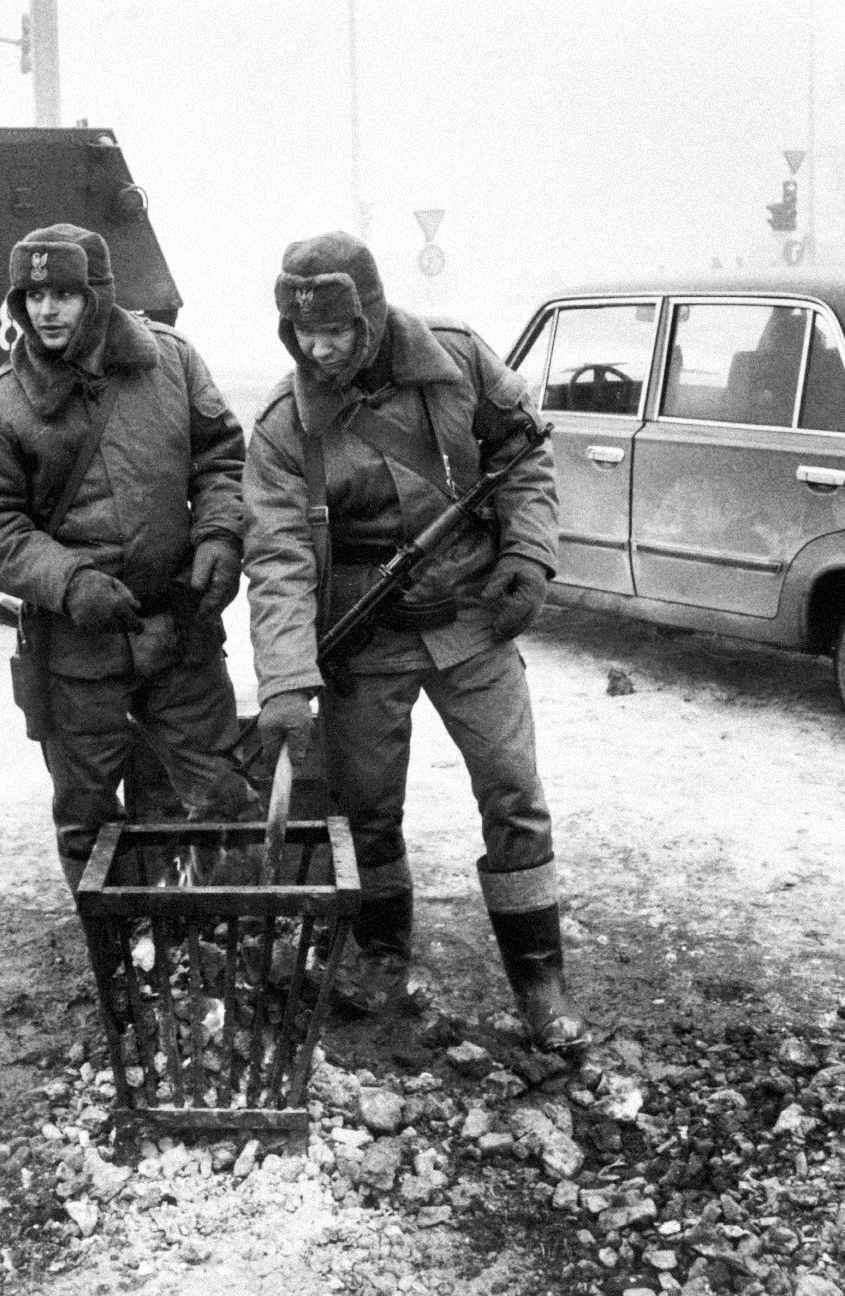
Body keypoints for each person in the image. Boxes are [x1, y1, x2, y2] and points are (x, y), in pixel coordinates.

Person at [243, 230, 587, 1051]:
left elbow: (525, 461)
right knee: (368, 812)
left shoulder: (459, 359)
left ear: (369, 312)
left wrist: (529, 558)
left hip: (475, 620)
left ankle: (541, 983)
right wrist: (286, 682)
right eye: (304, 335)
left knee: (514, 793)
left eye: (335, 329)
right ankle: (381, 954)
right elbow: (278, 559)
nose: (319, 350)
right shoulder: (285, 427)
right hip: (363, 639)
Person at [0, 222, 254, 891]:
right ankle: (130, 963)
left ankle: (218, 951)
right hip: (77, 654)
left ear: (99, 294)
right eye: (31, 295)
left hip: (179, 631)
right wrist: (68, 578)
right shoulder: (1, 405)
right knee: (89, 823)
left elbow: (221, 461)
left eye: (64, 292)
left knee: (222, 799)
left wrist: (220, 536)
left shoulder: (171, 362)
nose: (47, 309)